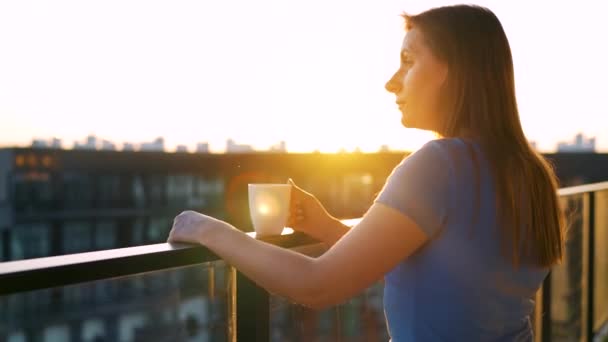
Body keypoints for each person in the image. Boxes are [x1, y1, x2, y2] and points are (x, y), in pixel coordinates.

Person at [168, 4, 565, 341]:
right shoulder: (530, 174)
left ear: (455, 70)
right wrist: (328, 228)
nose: (391, 82)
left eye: (408, 61)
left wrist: (206, 229)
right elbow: (446, 281)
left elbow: (317, 285)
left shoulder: (440, 164)